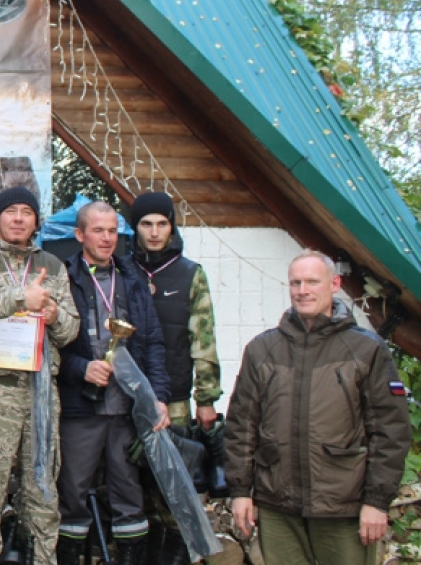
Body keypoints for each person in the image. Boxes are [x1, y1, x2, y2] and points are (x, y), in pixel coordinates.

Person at [225, 250, 409, 565]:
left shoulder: (366, 350)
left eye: (312, 281)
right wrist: (241, 491)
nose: (302, 290)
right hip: (277, 504)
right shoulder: (262, 349)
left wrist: (377, 502)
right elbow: (242, 425)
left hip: (343, 506)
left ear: (334, 284)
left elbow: (390, 432)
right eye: (295, 282)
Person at [0, 187, 79, 565]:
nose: (19, 218)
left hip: (40, 393)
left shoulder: (53, 265)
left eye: (27, 212)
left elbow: (71, 328)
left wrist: (56, 318)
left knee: (42, 495)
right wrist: (20, 298)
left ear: (37, 221)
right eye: (11, 211)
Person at [56, 201, 170, 565]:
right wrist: (81, 368)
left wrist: (159, 398)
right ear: (80, 235)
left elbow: (152, 342)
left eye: (112, 231)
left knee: (129, 495)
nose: (107, 239)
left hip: (126, 408)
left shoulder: (134, 278)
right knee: (72, 494)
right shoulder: (64, 277)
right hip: (80, 408)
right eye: (98, 230)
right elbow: (49, 346)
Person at [127, 191, 222, 563]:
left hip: (178, 402)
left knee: (175, 489)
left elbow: (205, 338)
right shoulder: (121, 269)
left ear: (172, 226)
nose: (154, 232)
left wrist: (207, 397)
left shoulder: (190, 273)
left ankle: (181, 555)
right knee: (135, 488)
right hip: (129, 400)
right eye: (146, 224)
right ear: (135, 227)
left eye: (162, 224)